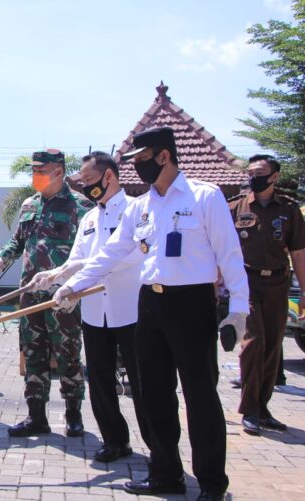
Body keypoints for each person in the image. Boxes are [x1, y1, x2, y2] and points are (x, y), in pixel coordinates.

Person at [54, 127, 249, 500]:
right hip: (150, 305)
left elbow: (231, 258)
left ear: (164, 156)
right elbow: (109, 253)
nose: (136, 167)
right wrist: (73, 285)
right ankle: (165, 473)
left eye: (142, 159)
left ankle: (211, 483)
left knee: (200, 396)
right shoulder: (141, 206)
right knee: (155, 394)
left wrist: (237, 310)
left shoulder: (204, 197)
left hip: (192, 305)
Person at [31, 152, 151, 462]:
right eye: (82, 182)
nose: (84, 187)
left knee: (144, 384)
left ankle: (158, 448)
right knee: (100, 381)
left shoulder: (136, 210)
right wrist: (56, 274)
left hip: (131, 311)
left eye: (88, 181)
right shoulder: (90, 218)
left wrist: (77, 275)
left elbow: (131, 255)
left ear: (109, 176)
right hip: (96, 312)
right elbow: (75, 258)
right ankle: (115, 441)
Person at [0, 149, 93, 438]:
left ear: (58, 171)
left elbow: (88, 255)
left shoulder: (81, 207)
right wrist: (0, 258)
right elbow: (18, 242)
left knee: (69, 354)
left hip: (63, 296)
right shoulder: (29, 205)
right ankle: (36, 416)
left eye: (40, 170)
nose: (36, 176)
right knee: (33, 353)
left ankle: (73, 414)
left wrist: (74, 287)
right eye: (33, 170)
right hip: (30, 293)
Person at [228, 154, 305, 435]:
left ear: (274, 176)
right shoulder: (235, 208)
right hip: (246, 283)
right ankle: (249, 409)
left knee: (273, 346)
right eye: (250, 172)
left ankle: (263, 407)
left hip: (278, 283)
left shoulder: (288, 211)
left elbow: (297, 252)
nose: (253, 177)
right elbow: (219, 247)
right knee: (254, 342)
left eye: (259, 172)